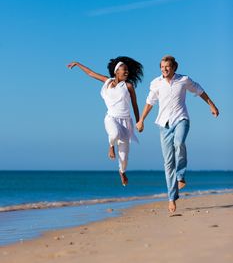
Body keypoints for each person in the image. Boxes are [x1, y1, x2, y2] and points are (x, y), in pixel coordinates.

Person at [136, 55, 219, 213]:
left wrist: (212, 105)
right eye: (162, 67)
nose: (164, 69)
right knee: (168, 163)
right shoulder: (156, 83)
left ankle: (180, 175)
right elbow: (150, 102)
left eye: (167, 66)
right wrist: (141, 120)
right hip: (163, 124)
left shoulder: (184, 80)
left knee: (179, 143)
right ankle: (171, 198)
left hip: (181, 119)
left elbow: (200, 91)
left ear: (174, 67)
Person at [67, 56, 143, 186]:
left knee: (124, 158)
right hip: (111, 118)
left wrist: (139, 121)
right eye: (124, 70)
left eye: (127, 71)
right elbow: (91, 73)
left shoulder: (129, 86)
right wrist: (78, 64)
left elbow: (135, 105)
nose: (126, 72)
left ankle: (122, 171)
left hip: (125, 122)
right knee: (113, 134)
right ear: (116, 71)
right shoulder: (107, 81)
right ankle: (111, 146)